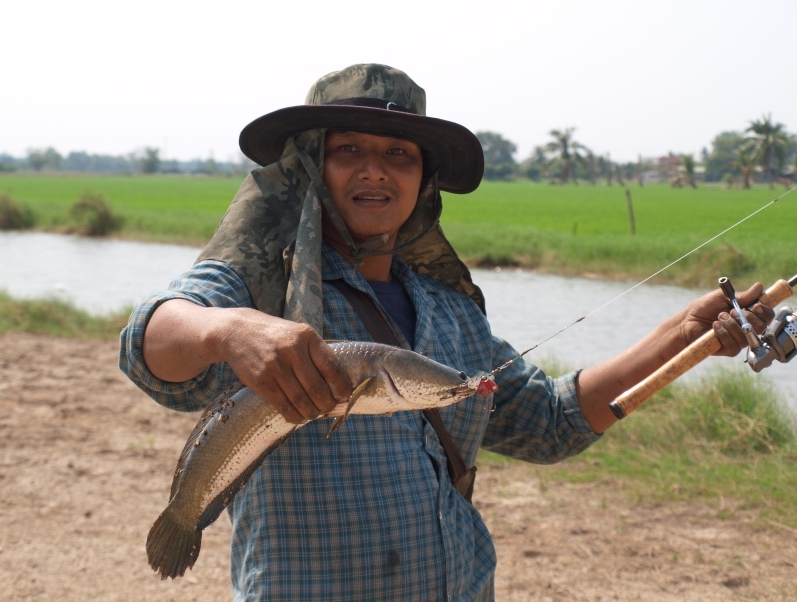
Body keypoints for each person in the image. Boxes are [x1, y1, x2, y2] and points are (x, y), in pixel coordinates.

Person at [119, 64, 773, 601]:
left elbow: (549, 422)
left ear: (423, 184)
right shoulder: (260, 290)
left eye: (399, 155)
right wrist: (229, 330)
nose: (375, 170)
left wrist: (687, 335)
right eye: (348, 150)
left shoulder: (451, 312)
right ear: (311, 171)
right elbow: (149, 341)